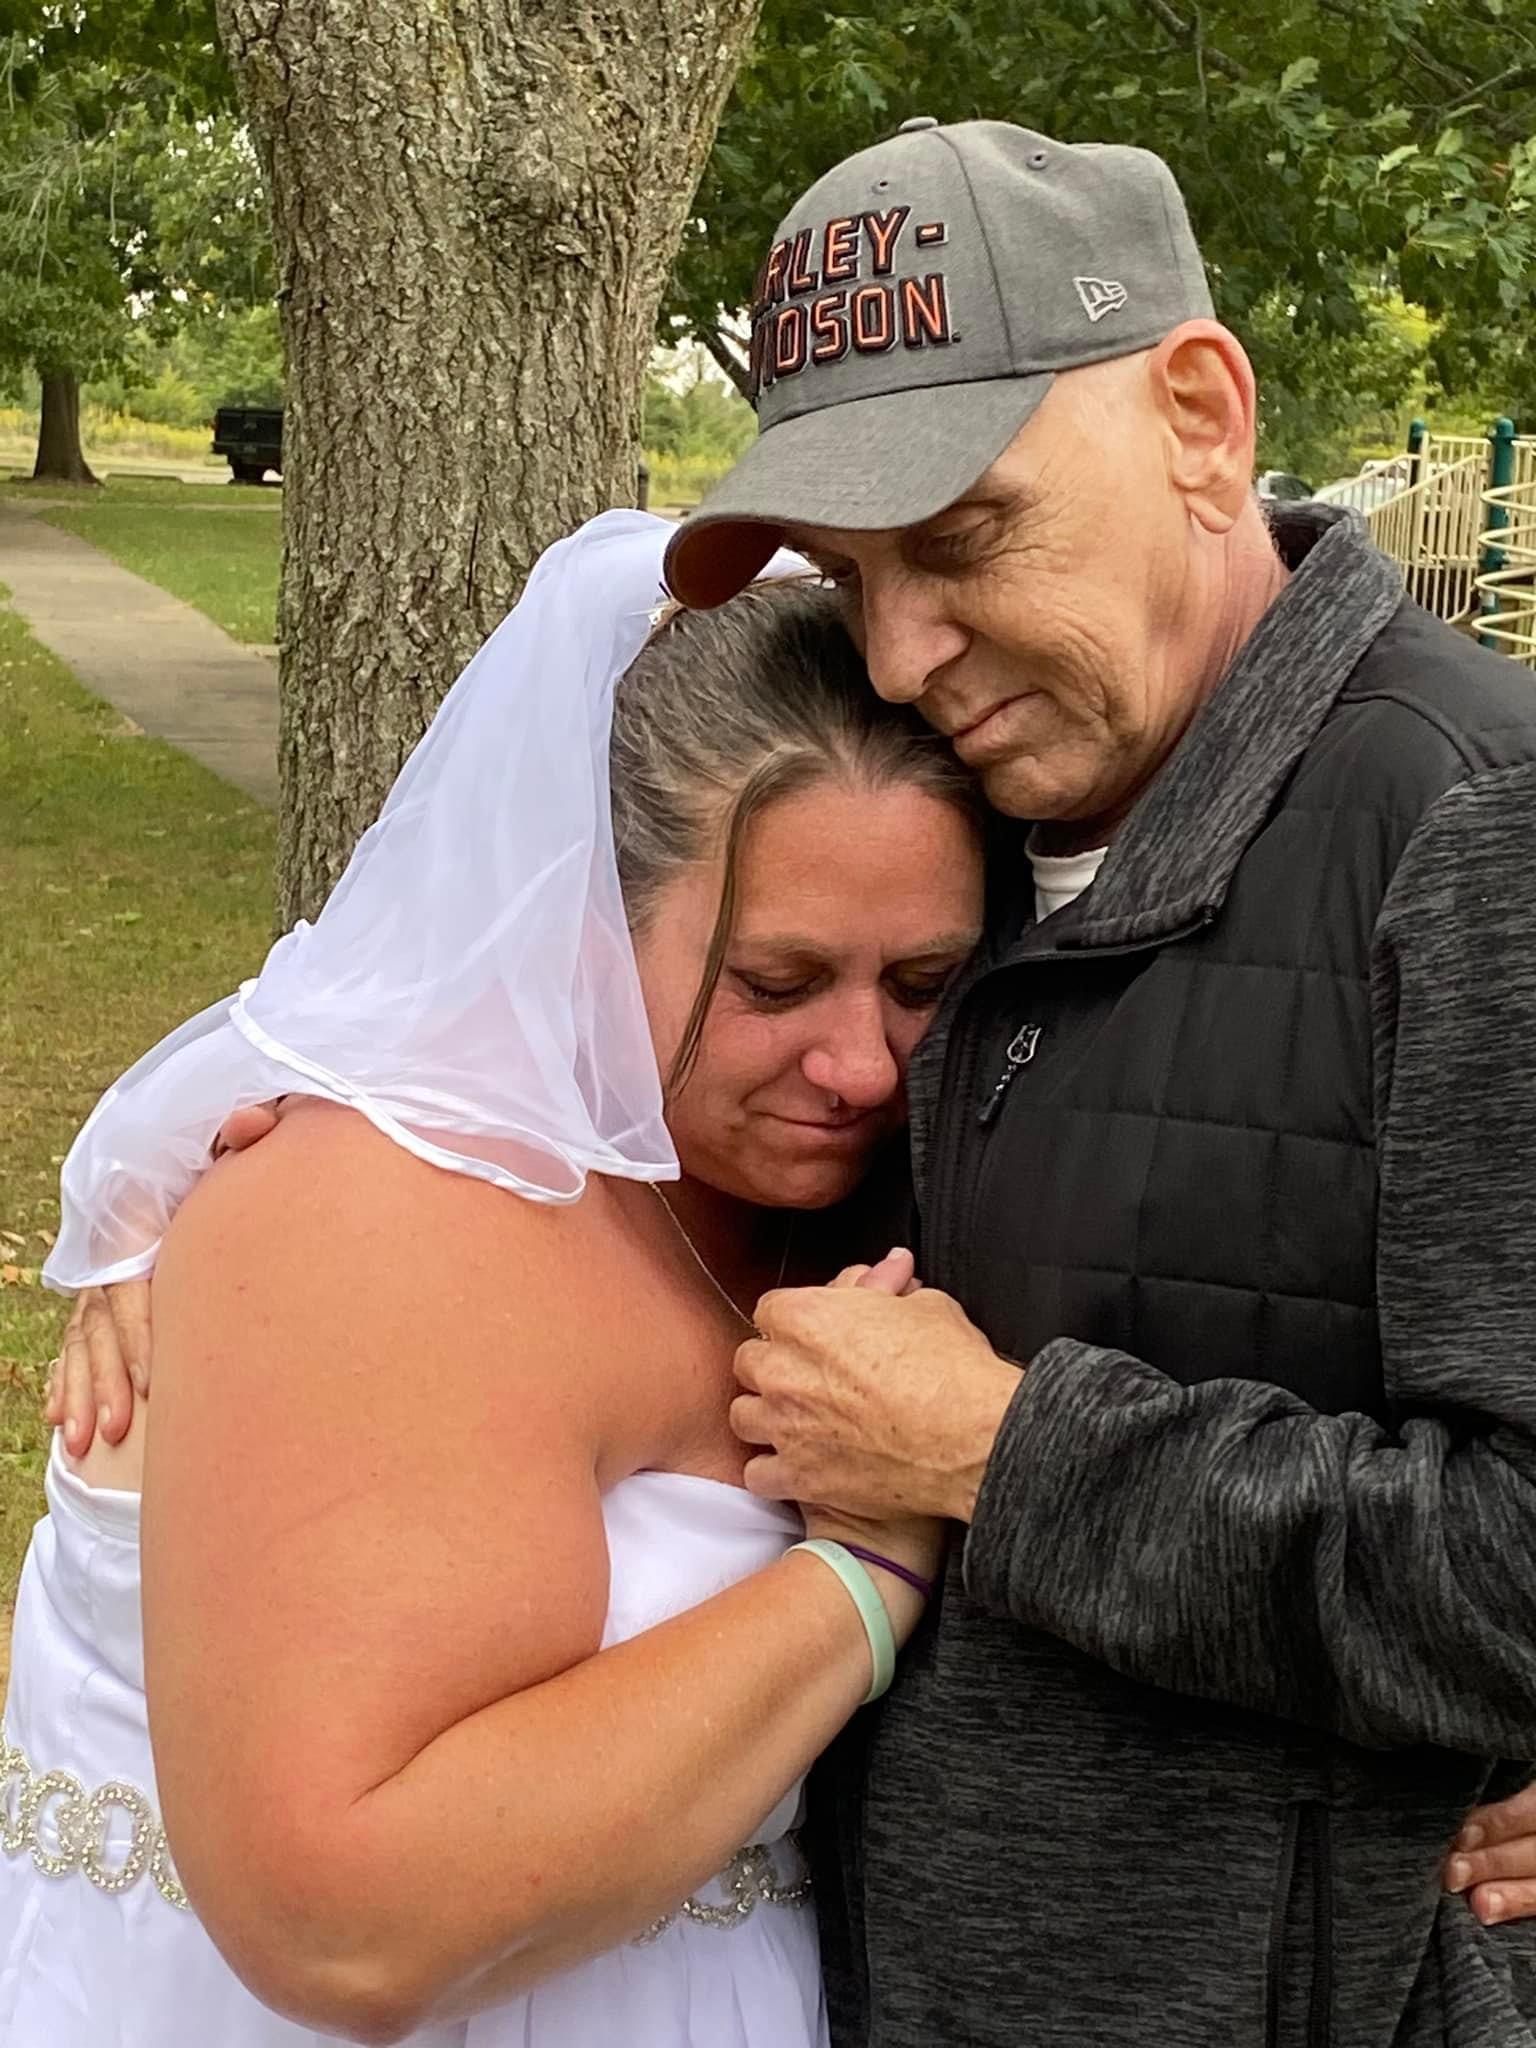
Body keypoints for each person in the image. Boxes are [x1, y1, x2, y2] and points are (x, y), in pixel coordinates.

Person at [659, 120, 1536, 2046]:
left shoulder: (1472, 830)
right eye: (851, 571)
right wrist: (200, 1188)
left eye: (964, 539)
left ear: (1201, 417)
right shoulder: (935, 800)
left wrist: (993, 1456)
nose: (900, 650)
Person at [0, 511, 985, 2048]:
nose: (860, 1065)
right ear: (583, 913)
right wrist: (866, 1572)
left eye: (923, 985)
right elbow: (347, 1923)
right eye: (775, 983)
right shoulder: (381, 1212)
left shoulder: (869, 1195)